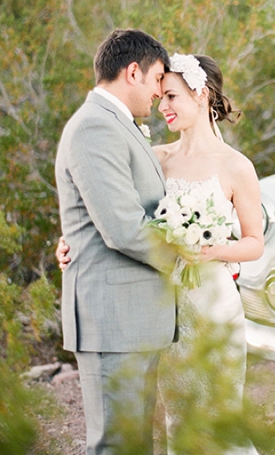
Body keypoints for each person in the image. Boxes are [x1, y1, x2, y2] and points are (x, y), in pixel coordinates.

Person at [58, 53, 264, 455]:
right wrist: (69, 240)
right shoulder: (157, 159)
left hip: (213, 307)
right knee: (178, 418)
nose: (162, 105)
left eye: (171, 96)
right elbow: (112, 211)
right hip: (163, 310)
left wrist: (212, 250)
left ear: (201, 94)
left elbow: (255, 243)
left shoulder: (236, 166)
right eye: (160, 94)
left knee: (218, 417)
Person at [54, 29, 178, 455]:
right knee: (116, 446)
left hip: (133, 318)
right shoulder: (93, 127)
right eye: (157, 77)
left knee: (136, 444)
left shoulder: (118, 126)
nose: (159, 91)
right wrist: (190, 258)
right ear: (132, 72)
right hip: (112, 319)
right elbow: (122, 227)